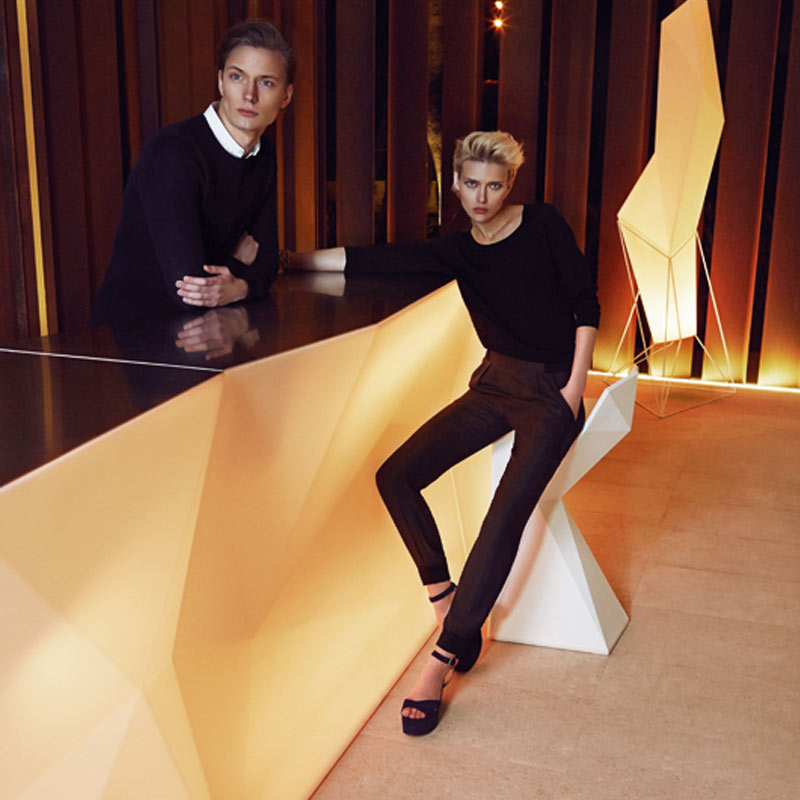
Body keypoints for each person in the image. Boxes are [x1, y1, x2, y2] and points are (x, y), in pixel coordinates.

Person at [289, 131, 600, 736]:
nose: (481, 197)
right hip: (494, 383)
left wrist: (573, 387)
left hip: (552, 390)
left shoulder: (543, 225)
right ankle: (443, 597)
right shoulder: (457, 249)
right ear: (454, 183)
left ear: (509, 185)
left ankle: (440, 661)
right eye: (472, 184)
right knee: (396, 475)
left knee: (502, 518)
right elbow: (376, 259)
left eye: (494, 185)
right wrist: (286, 261)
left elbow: (586, 303)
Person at [90, 20, 294, 326]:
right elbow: (190, 291)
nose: (249, 95)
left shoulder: (263, 154)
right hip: (127, 336)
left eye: (266, 83)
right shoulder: (174, 153)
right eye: (237, 77)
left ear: (286, 96)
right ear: (221, 82)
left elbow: (266, 264)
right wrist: (235, 255)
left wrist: (239, 287)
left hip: (205, 331)